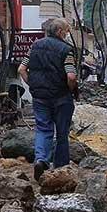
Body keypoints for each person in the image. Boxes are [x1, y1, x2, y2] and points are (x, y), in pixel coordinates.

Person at [18, 18, 78, 181]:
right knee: (62, 133)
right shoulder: (66, 50)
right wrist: (71, 89)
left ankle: (41, 159)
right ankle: (60, 167)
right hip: (61, 96)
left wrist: (33, 85)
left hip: (40, 96)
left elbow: (21, 69)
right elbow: (71, 76)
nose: (67, 34)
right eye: (66, 31)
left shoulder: (35, 46)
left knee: (43, 129)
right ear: (59, 32)